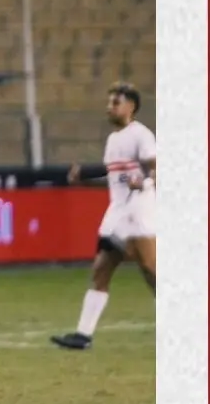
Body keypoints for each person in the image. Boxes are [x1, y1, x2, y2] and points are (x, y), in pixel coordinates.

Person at [51, 82, 157, 350]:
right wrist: (83, 181)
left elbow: (158, 170)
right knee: (101, 270)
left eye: (115, 103)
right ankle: (83, 336)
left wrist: (144, 183)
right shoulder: (113, 140)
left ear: (131, 106)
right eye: (109, 103)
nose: (109, 108)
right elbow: (114, 180)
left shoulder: (141, 135)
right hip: (117, 214)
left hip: (139, 211)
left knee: (152, 270)